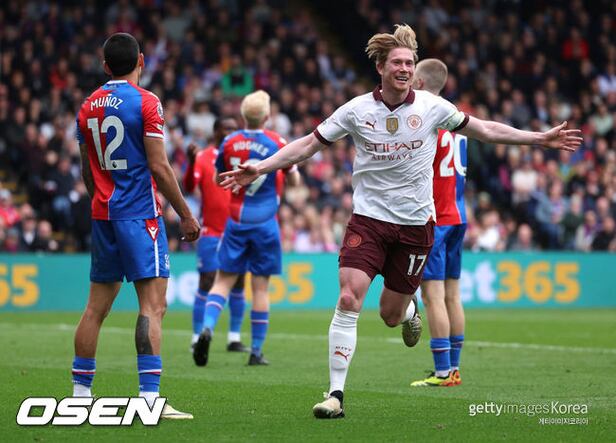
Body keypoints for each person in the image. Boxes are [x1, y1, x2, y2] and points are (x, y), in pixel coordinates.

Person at [220, 25, 582, 419]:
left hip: (415, 227)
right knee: (348, 298)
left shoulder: (432, 107)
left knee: (390, 314)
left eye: (410, 62)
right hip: (368, 221)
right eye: (397, 62)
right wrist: (261, 168)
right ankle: (335, 394)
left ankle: (409, 312)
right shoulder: (356, 110)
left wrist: (538, 138)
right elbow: (307, 145)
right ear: (381, 67)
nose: (405, 68)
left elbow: (485, 129)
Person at [73, 33, 200, 419]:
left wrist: (101, 201)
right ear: (141, 61)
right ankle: (148, 400)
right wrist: (185, 213)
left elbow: (87, 170)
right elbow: (159, 166)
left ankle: (80, 395)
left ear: (105, 65)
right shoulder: (146, 102)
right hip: (140, 215)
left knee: (95, 309)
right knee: (153, 306)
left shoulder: (87, 106)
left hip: (103, 215)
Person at [192, 90, 300, 367]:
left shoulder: (229, 142)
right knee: (260, 289)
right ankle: (256, 351)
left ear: (243, 115)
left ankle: (207, 328)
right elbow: (295, 182)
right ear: (267, 116)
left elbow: (218, 180)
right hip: (266, 224)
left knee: (223, 281)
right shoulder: (277, 142)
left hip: (236, 222)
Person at [409, 58, 467, 387]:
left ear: (419, 83)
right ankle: (454, 368)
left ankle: (443, 371)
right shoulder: (458, 120)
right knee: (453, 296)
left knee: (433, 296)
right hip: (459, 215)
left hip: (437, 218)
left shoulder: (428, 121)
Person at [183, 117, 250, 355]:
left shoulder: (243, 158)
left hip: (238, 230)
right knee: (207, 282)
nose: (230, 132)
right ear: (216, 131)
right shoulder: (203, 157)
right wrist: (191, 162)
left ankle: (234, 338)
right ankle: (196, 337)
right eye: (226, 128)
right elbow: (189, 187)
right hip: (211, 231)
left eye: (234, 128)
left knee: (239, 283)